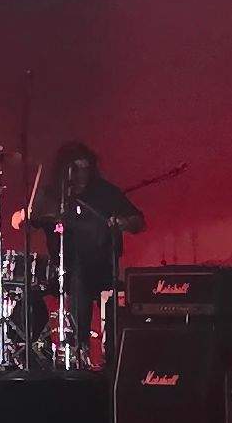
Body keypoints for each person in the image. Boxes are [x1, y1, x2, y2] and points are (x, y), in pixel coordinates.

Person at [16, 141, 144, 367]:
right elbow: (19, 220)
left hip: (101, 266)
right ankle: (41, 351)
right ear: (64, 170)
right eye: (76, 169)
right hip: (60, 269)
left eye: (86, 169)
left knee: (81, 279)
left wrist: (122, 222)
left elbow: (138, 221)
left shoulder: (105, 192)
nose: (82, 175)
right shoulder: (51, 195)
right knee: (31, 287)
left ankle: (88, 351)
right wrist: (23, 216)